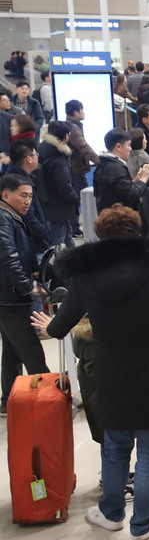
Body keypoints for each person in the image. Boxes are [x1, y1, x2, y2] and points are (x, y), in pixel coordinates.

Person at [33, 205, 149, 540]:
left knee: (115, 447)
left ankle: (111, 513)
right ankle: (144, 522)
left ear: (100, 234)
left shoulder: (86, 275)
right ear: (137, 232)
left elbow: (63, 323)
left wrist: (52, 325)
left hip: (111, 374)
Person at [0, 174, 48, 416]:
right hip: (10, 296)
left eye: (30, 195)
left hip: (8, 295)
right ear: (5, 195)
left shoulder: (12, 216)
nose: (28, 200)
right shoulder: (4, 218)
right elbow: (7, 257)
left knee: (11, 350)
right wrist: (27, 286)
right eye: (23, 195)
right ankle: (50, 400)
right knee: (32, 352)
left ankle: (8, 401)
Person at [3, 140, 50, 256]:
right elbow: (28, 216)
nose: (38, 158)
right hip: (29, 245)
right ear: (29, 158)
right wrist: (43, 232)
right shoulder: (18, 183)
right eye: (36, 155)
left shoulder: (21, 178)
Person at [38, 121, 79, 248]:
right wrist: (75, 198)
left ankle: (73, 259)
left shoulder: (44, 150)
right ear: (66, 136)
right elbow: (64, 186)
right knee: (56, 242)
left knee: (67, 235)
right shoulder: (59, 158)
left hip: (50, 202)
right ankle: (55, 265)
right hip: (59, 205)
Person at [93, 128, 149, 214]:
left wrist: (136, 180)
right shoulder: (115, 168)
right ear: (118, 146)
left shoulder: (104, 163)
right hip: (119, 220)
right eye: (128, 145)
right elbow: (131, 196)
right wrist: (143, 179)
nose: (130, 149)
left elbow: (120, 191)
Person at [64, 99, 101, 238]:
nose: (84, 113)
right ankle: (75, 227)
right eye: (82, 110)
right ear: (76, 112)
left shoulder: (72, 125)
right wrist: (98, 161)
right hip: (75, 169)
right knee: (82, 197)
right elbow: (83, 147)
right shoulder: (74, 128)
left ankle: (74, 227)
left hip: (76, 168)